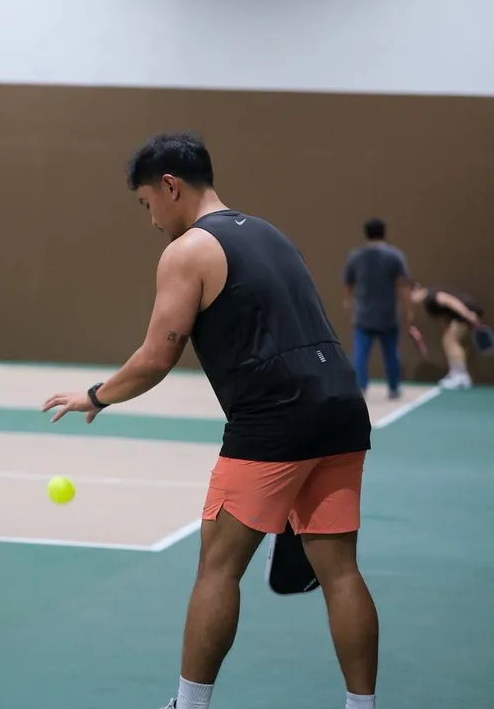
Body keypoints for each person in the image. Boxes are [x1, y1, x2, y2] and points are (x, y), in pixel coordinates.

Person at [42, 132, 379, 709]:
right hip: (343, 407)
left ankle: (189, 705)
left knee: (218, 567)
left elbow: (157, 357)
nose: (152, 220)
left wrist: (96, 395)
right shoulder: (269, 233)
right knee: (341, 571)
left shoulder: (188, 251)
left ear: (170, 186)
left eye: (147, 203)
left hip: (273, 420)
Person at [341, 217, 413, 399]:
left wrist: (349, 302)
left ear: (366, 233)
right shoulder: (394, 256)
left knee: (360, 353)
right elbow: (402, 284)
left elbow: (348, 283)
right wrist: (408, 308)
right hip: (387, 313)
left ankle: (359, 386)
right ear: (384, 232)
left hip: (363, 313)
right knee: (391, 352)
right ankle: (394, 387)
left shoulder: (355, 256)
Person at [410, 282, 484, 389]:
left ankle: (461, 376)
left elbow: (452, 302)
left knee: (450, 341)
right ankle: (456, 373)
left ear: (416, 290)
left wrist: (469, 315)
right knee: (448, 340)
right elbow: (446, 314)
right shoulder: (428, 303)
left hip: (466, 312)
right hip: (459, 315)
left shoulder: (432, 296)